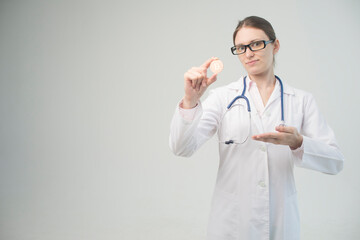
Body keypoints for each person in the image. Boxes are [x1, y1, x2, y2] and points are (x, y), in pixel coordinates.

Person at [169, 16, 344, 240]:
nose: (249, 53)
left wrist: (298, 143)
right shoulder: (222, 97)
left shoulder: (301, 100)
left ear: (275, 45)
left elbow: (336, 162)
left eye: (256, 44)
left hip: (280, 223)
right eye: (241, 48)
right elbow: (181, 148)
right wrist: (190, 100)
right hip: (232, 223)